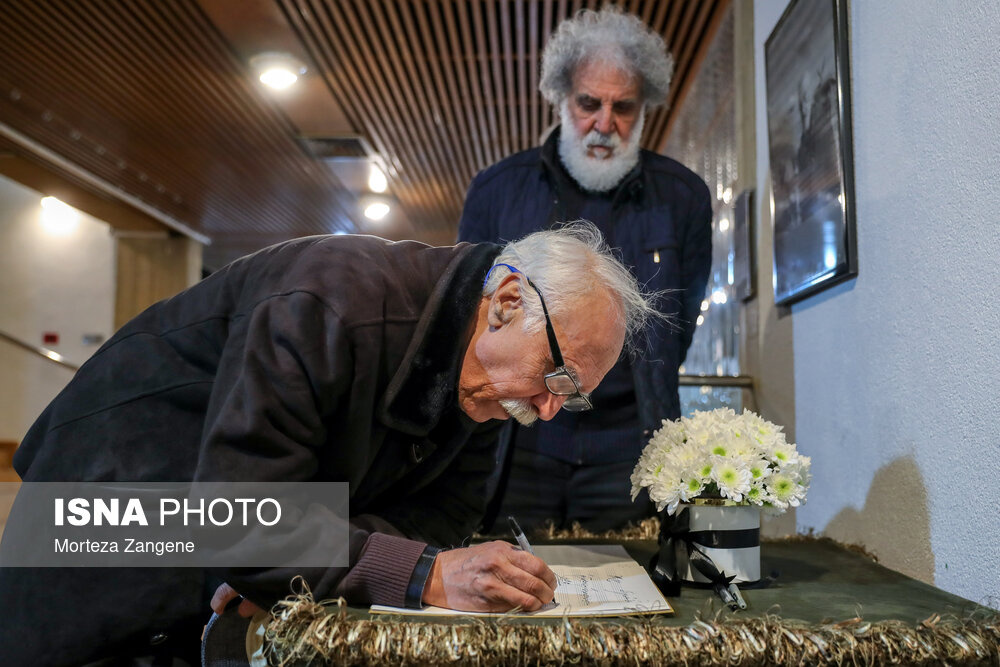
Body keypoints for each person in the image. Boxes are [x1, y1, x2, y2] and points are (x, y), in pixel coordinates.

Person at [0, 223, 655, 666]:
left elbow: (445, 513)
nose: (548, 409)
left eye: (572, 395)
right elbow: (237, 522)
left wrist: (301, 568)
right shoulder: (328, 298)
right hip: (110, 501)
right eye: (557, 377)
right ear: (507, 301)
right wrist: (422, 573)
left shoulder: (493, 377)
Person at [458, 7, 713, 532]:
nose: (604, 123)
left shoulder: (683, 196)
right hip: (516, 436)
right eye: (589, 103)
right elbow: (468, 311)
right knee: (508, 572)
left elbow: (680, 323)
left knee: (629, 577)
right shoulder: (496, 190)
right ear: (560, 97)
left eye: (624, 107)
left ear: (645, 107)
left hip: (630, 442)